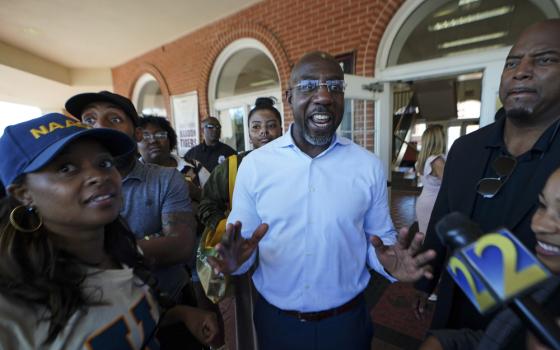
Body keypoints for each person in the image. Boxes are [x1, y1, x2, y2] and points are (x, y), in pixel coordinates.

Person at [208, 51, 436, 350]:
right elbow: (245, 246)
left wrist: (388, 263)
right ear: (289, 98)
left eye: (335, 86)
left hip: (347, 324)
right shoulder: (255, 166)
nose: (324, 96)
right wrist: (237, 262)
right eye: (309, 86)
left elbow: (378, 242)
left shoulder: (367, 166)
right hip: (277, 323)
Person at [0, 113, 218, 348]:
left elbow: (122, 315)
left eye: (104, 163)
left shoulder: (123, 251)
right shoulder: (10, 309)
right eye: (66, 168)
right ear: (23, 195)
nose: (97, 175)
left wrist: (182, 315)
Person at [414, 19, 560, 332]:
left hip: (531, 327)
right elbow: (444, 221)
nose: (521, 71)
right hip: (453, 314)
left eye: (545, 59)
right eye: (512, 62)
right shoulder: (466, 148)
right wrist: (425, 282)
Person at [418, 167, 560, 350]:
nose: (538, 225)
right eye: (542, 205)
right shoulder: (544, 285)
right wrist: (443, 343)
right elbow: (501, 337)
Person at [199, 96, 283, 350]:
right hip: (246, 258)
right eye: (256, 126)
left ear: (282, 128)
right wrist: (229, 226)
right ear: (248, 131)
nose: (264, 132)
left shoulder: (295, 164)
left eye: (271, 125)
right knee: (250, 316)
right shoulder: (233, 166)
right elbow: (206, 205)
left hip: (285, 253)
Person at [138, 115, 203, 203]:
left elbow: (219, 200)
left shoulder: (194, 165)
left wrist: (196, 192)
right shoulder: (132, 175)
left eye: (160, 135)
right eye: (145, 136)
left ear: (170, 139)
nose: (153, 140)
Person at [415, 124, 446, 235]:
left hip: (425, 201)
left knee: (426, 238)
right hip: (434, 204)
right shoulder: (437, 161)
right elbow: (449, 185)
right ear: (439, 139)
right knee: (433, 240)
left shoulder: (424, 159)